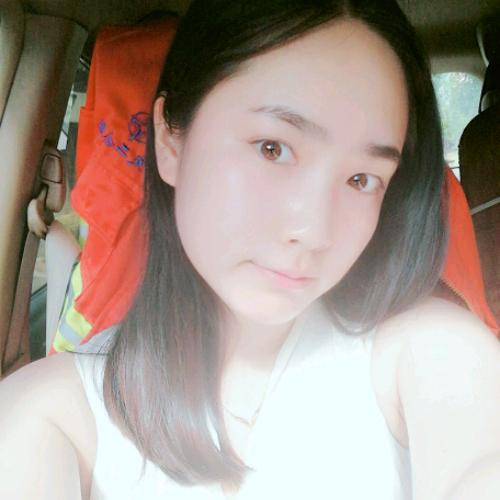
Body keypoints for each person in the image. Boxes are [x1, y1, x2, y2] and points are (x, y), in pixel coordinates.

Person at [1, 1, 499, 499]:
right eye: (272, 148)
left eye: (361, 179)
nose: (313, 230)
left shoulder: (429, 351)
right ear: (171, 140)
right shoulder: (55, 413)